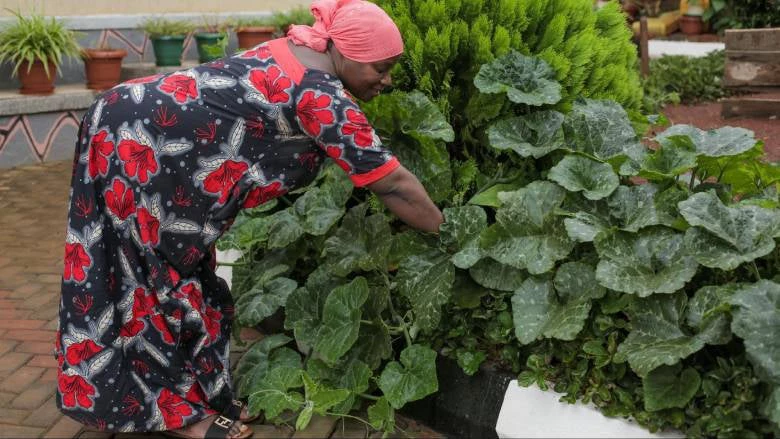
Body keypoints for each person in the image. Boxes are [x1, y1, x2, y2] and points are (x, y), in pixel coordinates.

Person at [55, 0, 443, 438]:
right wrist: (447, 235)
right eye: (380, 68)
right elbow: (392, 184)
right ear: (347, 53)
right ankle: (181, 417)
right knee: (148, 279)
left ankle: (196, 396)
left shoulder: (300, 50)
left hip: (138, 123)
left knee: (178, 273)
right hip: (137, 142)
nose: (387, 81)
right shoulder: (320, 95)